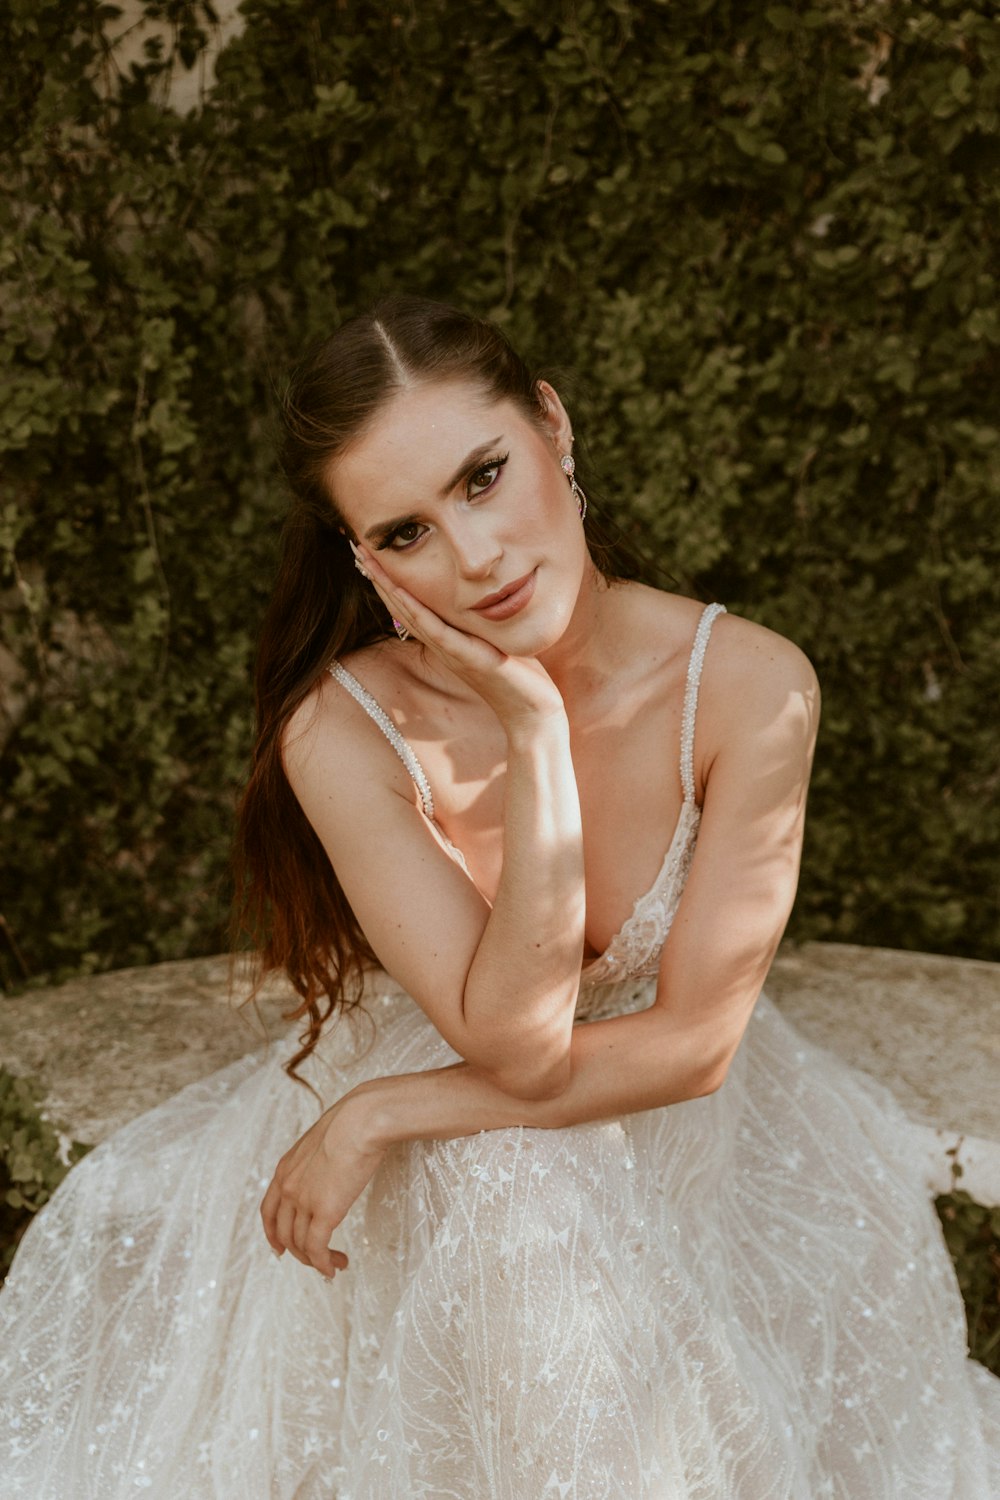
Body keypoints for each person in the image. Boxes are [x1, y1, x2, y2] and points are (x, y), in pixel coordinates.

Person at [1, 297, 997, 1498]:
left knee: (513, 1178)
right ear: (363, 564)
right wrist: (533, 736)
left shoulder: (748, 685)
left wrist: (373, 1114)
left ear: (553, 428)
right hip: (484, 1097)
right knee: (510, 1182)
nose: (475, 558)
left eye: (484, 476)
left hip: (673, 1116)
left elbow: (691, 1047)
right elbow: (520, 1050)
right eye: (407, 533)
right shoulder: (343, 729)